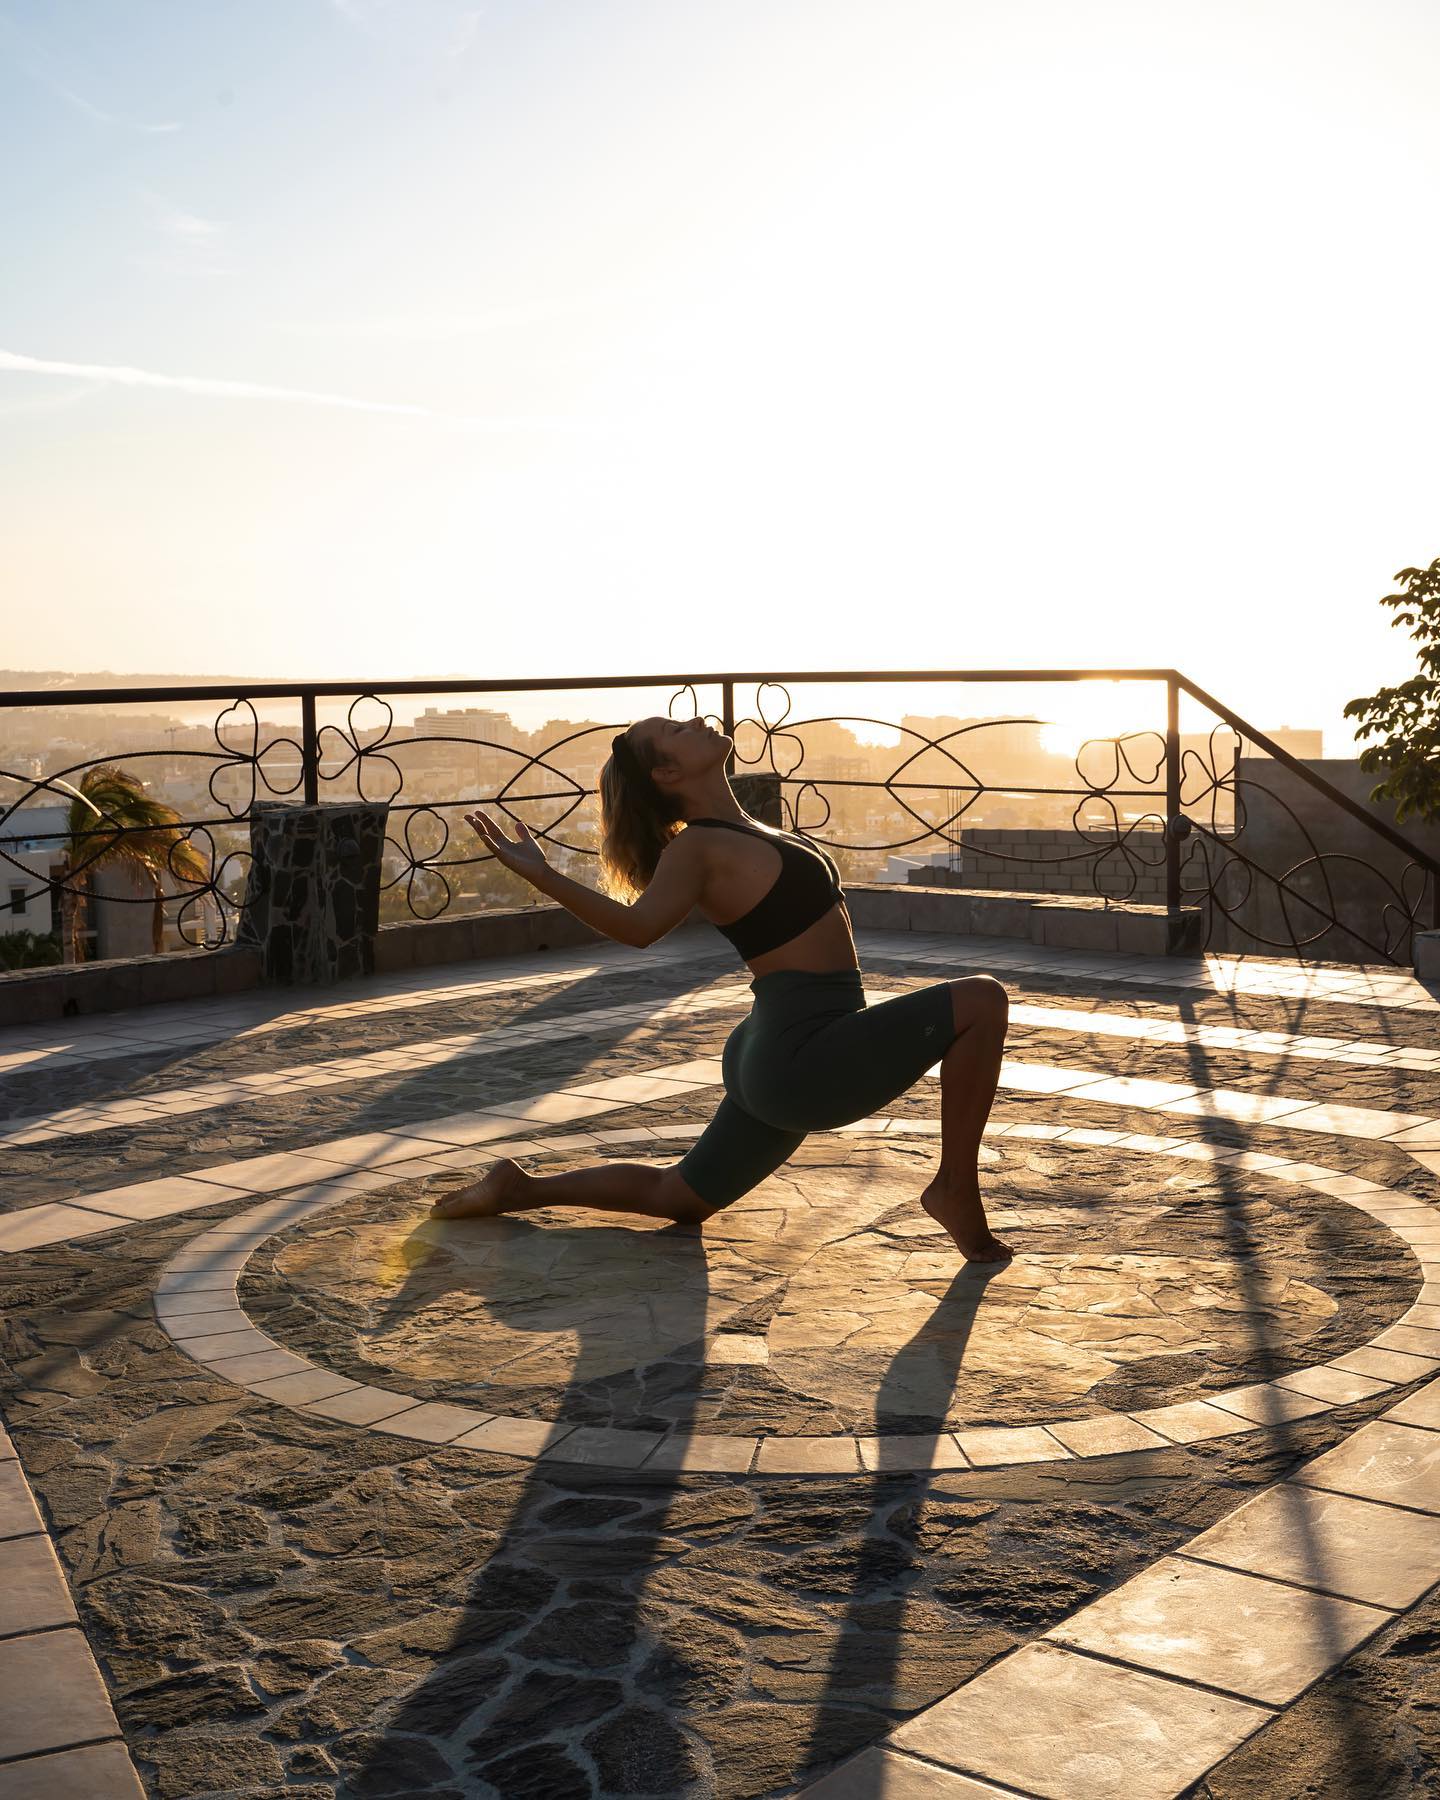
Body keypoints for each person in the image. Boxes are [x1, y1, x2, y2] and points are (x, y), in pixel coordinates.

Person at [432, 715, 1012, 1263]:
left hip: (783, 1044)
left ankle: (520, 1189)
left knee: (680, 1196)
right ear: (667, 774)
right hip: (800, 1055)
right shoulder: (696, 846)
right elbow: (640, 928)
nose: (697, 721)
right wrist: (544, 876)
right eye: (675, 730)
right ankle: (955, 1187)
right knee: (981, 1001)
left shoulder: (743, 827)